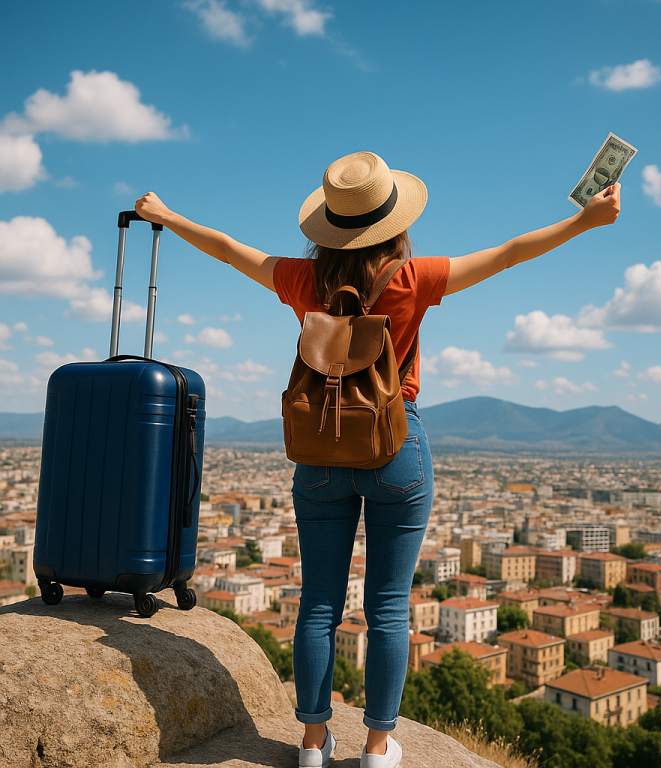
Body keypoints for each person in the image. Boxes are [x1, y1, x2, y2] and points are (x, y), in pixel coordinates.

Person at [135, 151, 620, 768]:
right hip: (395, 444)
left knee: (318, 602)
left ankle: (313, 744)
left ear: (330, 225)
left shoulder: (303, 280)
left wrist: (167, 215)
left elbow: (229, 251)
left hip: (320, 446)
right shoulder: (412, 277)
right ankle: (376, 746)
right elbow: (509, 253)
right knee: (388, 607)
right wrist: (583, 222)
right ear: (392, 221)